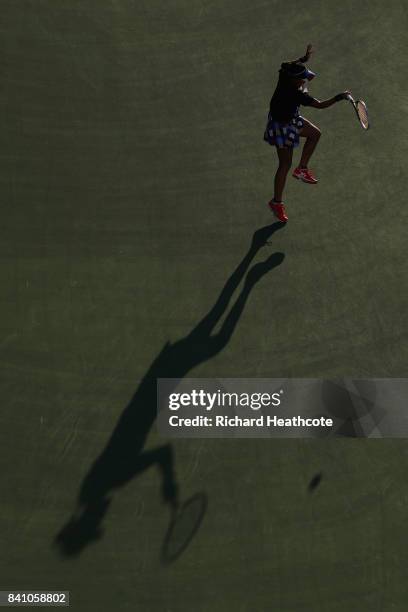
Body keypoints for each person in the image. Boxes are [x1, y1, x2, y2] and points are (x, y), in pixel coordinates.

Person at [263, 44, 350, 222]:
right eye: (302, 79)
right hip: (282, 128)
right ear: (294, 81)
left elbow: (286, 64)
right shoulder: (296, 94)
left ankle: (302, 169)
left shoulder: (285, 75)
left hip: (290, 119)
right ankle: (276, 203)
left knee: (315, 134)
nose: (305, 81)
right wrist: (340, 97)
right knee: (284, 165)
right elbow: (320, 105)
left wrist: (302, 60)